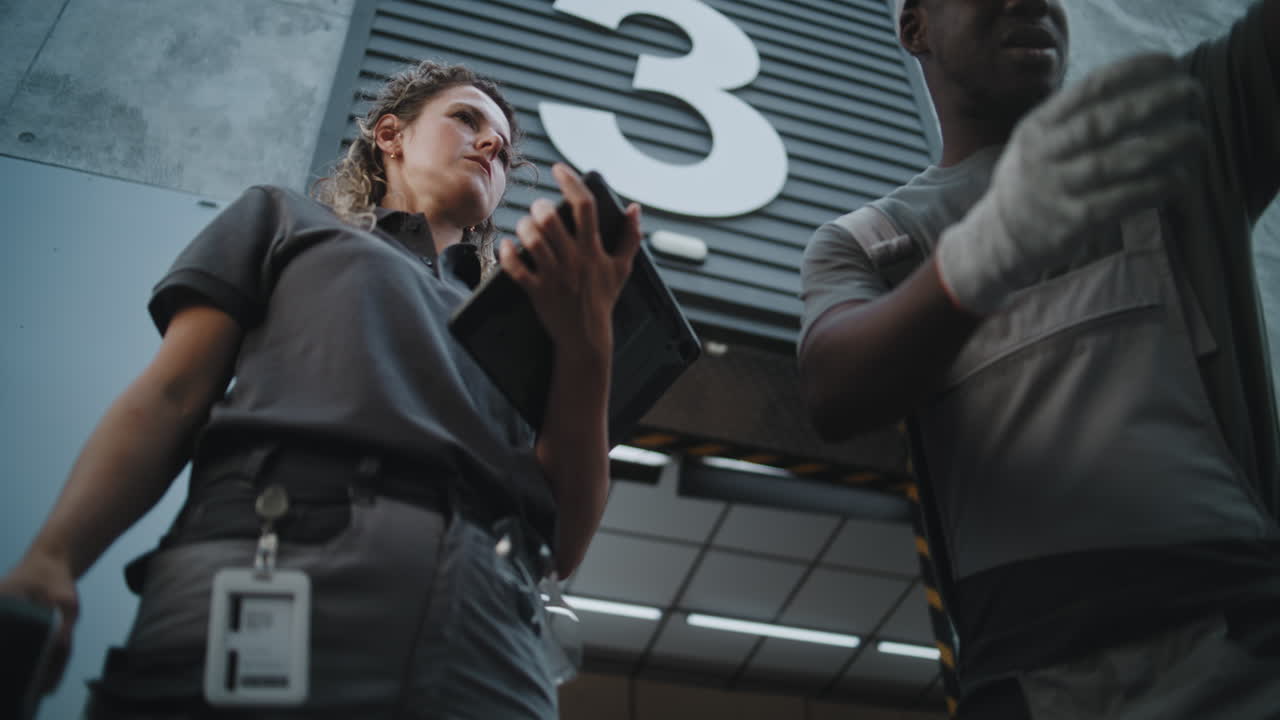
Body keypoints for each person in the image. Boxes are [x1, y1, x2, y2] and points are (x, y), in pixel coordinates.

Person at [0, 59, 642, 718]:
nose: (489, 146)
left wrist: (587, 342)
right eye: (466, 119)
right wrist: (54, 557)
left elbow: (563, 544)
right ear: (389, 135)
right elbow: (173, 395)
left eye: (503, 151)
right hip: (282, 558)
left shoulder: (529, 321)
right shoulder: (288, 221)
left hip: (490, 633)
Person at [798, 0, 1280, 717]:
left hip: (1243, 658)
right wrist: (982, 252)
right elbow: (831, 386)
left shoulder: (1172, 125)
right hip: (1024, 686)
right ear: (914, 27)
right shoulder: (870, 242)